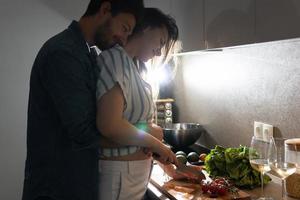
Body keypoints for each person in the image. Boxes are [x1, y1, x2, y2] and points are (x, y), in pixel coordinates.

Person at [22, 1, 144, 200]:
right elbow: (83, 133)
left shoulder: (86, 53)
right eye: (124, 28)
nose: (123, 39)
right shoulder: (63, 53)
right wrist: (143, 138)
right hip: (56, 189)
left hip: (73, 184)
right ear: (105, 9)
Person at [95, 8, 204, 200]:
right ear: (145, 28)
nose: (159, 52)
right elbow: (110, 125)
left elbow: (137, 128)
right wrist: (160, 145)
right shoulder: (114, 59)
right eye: (161, 41)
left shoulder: (134, 67)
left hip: (133, 175)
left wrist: (169, 169)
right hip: (119, 175)